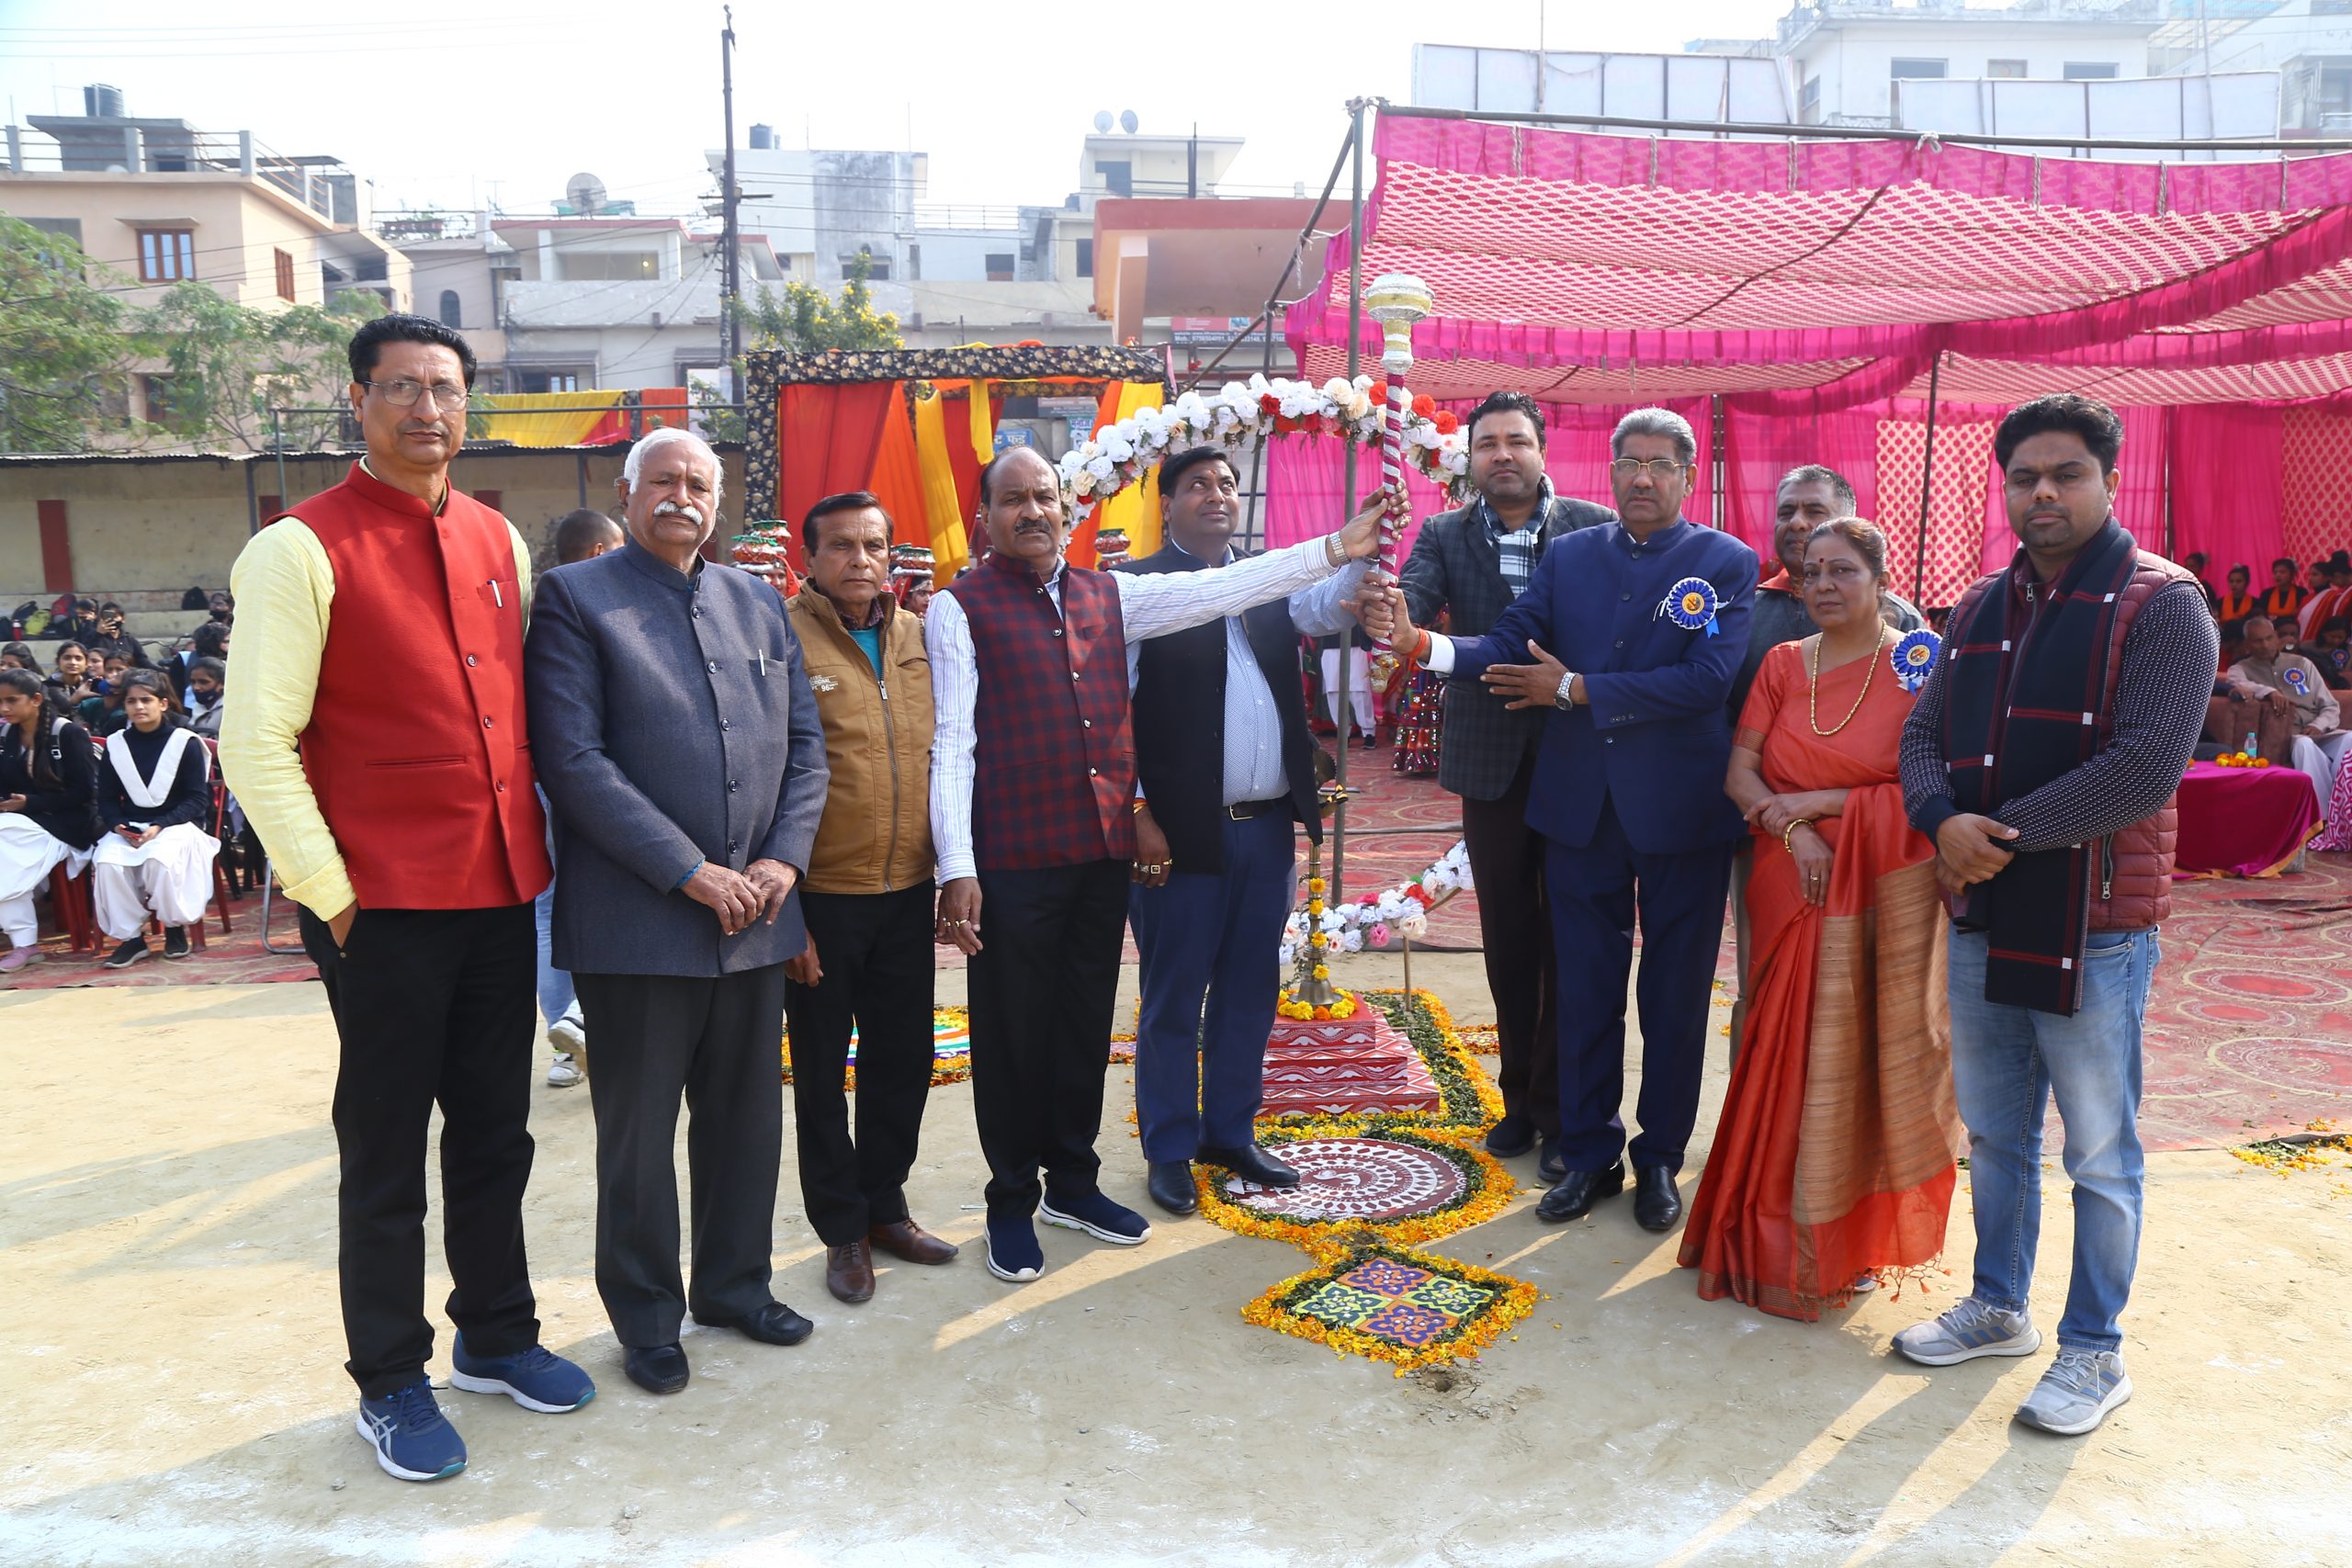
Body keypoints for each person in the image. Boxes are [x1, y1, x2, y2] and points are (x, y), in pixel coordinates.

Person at [220, 312, 591, 1483]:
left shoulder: (494, 536)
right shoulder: (297, 548)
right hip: (378, 906)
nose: (427, 408)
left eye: (445, 389)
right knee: (384, 1150)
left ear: (467, 404)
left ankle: (497, 1335)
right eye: (401, 388)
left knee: (495, 1132)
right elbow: (255, 739)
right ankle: (389, 1378)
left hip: (498, 889)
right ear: (359, 401)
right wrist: (332, 898)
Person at [929, 445, 1390, 1284]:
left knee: (1082, 1026)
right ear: (983, 516)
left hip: (1096, 858)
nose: (1032, 512)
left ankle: (1073, 1184)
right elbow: (954, 741)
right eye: (1013, 499)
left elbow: (1227, 588)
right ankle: (1011, 1199)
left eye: (1045, 496)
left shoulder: (1109, 596)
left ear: (1066, 507)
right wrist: (955, 864)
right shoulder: (959, 607)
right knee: (1013, 1034)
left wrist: (1334, 551)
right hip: (1014, 858)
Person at [1893, 392, 2215, 1438]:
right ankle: (1998, 1305)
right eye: (2025, 476)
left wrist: (1997, 837)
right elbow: (1922, 734)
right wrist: (1940, 819)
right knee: (1994, 1132)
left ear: (2109, 481)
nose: (2043, 492)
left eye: (2066, 474)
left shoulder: (2163, 604)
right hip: (1986, 907)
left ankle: (2094, 1350)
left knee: (2098, 1153)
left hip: (2098, 923)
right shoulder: (1981, 606)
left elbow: (2146, 766)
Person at [1381, 406, 1756, 1233]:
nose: (1643, 478)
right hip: (1581, 810)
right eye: (1630, 463)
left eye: (1661, 464)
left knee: (1675, 993)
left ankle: (1661, 1157)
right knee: (1584, 988)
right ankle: (1587, 1152)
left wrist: (1578, 689)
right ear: (1610, 471)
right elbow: (1507, 642)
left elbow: (1707, 680)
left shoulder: (1725, 561)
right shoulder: (1574, 555)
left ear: (1688, 476)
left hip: (1681, 812)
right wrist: (1422, 645)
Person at [527, 426, 828, 1396]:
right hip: (640, 923)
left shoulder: (757, 600)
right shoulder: (577, 599)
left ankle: (736, 1287)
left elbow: (807, 749)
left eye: (699, 483)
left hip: (756, 919)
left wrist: (783, 859)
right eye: (663, 480)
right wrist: (688, 870)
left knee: (746, 1123)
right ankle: (648, 1318)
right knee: (639, 1139)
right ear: (627, 492)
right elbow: (573, 760)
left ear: (717, 501)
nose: (682, 496)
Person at [1681, 518, 1960, 1319]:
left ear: (1882, 581)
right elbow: (1740, 771)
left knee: (1864, 1048)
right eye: (1811, 573)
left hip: (1881, 883)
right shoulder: (1780, 663)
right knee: (1780, 1042)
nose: (1825, 585)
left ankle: (1848, 1232)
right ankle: (1762, 1223)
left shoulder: (1919, 664)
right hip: (1788, 873)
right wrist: (1796, 829)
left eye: (1844, 570)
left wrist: (1826, 801)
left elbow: (1933, 786)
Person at [1118, 446, 1373, 1216]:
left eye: (1228, 484)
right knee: (1173, 997)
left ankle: (1230, 1132)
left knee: (1249, 990)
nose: (1217, 494)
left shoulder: (1269, 585)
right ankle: (1169, 1147)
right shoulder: (1138, 589)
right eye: (1197, 484)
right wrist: (1138, 813)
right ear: (1166, 504)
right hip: (1179, 837)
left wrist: (1373, 546)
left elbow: (1332, 605)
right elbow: (1110, 716)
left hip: (1264, 833)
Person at [1396, 389, 1616, 1175]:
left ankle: (1562, 1109)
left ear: (1541, 451)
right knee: (1511, 938)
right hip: (1490, 765)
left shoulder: (1595, 527)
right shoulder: (1443, 533)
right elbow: (1412, 602)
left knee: (1573, 936)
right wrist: (1391, 612)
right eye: (1487, 443)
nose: (1502, 454)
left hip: (1579, 756)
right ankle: (1519, 1098)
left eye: (1516, 440)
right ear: (1471, 458)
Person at [785, 491, 961, 1304]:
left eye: (874, 545)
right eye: (842, 546)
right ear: (810, 559)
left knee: (904, 1060)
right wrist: (787, 912)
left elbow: (952, 753)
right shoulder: (781, 637)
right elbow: (765, 772)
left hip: (906, 893)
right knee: (822, 1074)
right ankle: (842, 1230)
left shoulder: (921, 637)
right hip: (821, 896)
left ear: (893, 554)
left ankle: (886, 1207)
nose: (861, 560)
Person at [1724, 467, 1926, 1055]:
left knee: (1875, 1005)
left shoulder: (1912, 644)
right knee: (1765, 993)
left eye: (1814, 510)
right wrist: (1789, 825)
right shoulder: (1755, 621)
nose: (1798, 522)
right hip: (1771, 844)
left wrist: (1823, 803)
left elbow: (1928, 772)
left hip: (1882, 853)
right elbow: (1735, 754)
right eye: (1786, 511)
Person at [536, 507, 626, 1089]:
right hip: (597, 779)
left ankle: (567, 1044)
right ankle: (583, 1018)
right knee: (614, 891)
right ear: (598, 552)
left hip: (540, 777)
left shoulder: (533, 608)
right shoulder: (600, 604)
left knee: (547, 911)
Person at [91, 670, 220, 968]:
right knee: (107, 862)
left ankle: (174, 928)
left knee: (159, 860)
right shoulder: (117, 744)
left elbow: (196, 799)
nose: (139, 707)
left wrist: (160, 826)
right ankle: (132, 939)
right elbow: (106, 798)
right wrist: (118, 825)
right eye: (131, 701)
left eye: (146, 700)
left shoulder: (185, 742)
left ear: (162, 703)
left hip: (177, 824)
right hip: (131, 827)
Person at [0, 668, 101, 976]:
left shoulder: (68, 734)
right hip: (22, 823)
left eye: (11, 701)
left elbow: (85, 793)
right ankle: (23, 941)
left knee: (5, 851)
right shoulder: (6, 736)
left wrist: (31, 803)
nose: (4, 708)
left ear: (36, 699)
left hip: (68, 824)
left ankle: (25, 942)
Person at [2226, 615, 2346, 814]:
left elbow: (2330, 706)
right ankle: (2321, 816)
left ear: (2276, 637)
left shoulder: (2302, 663)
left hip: (2319, 730)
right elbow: (2237, 682)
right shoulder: (2240, 668)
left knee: (2349, 739)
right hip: (2291, 735)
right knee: (2304, 745)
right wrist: (2269, 691)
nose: (2265, 645)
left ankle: (2342, 809)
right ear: (2248, 644)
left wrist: (2318, 725)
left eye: (2269, 638)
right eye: (2258, 641)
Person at [1314, 628, 1378, 746]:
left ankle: (1369, 733)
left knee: (1359, 690)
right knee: (1333, 691)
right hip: (1330, 644)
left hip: (1356, 644)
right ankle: (1343, 734)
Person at [166, 621, 231, 705]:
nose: (230, 645)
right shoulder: (185, 659)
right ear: (212, 643)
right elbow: (175, 690)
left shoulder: (233, 662)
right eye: (226, 642)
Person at [2297, 552, 2352, 641]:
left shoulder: (2343, 593)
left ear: (2338, 575)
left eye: (2331, 580)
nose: (2332, 583)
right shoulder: (2345, 592)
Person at [85, 603, 147, 671]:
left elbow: (142, 660)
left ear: (123, 619)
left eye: (115, 617)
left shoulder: (129, 639)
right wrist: (98, 634)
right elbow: (87, 652)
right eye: (106, 617)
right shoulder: (93, 636)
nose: (112, 620)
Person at [2215, 565, 2256, 652]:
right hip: (2224, 641)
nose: (2234, 584)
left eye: (2238, 581)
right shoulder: (2219, 602)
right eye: (2231, 581)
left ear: (2247, 583)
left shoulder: (2255, 603)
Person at [184, 656, 227, 737]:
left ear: (222, 684)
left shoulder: (229, 710)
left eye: (203, 682)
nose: (196, 687)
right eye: (193, 682)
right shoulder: (198, 707)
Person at [2261, 557, 2308, 626]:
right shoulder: (2266, 593)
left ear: (2292, 575)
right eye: (2275, 573)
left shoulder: (2301, 592)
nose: (2278, 575)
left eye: (2282, 572)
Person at [2313, 617, 2352, 690]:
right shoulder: (2307, 646)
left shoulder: (2350, 651)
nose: (2336, 641)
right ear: (2323, 632)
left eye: (2340, 637)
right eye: (2332, 636)